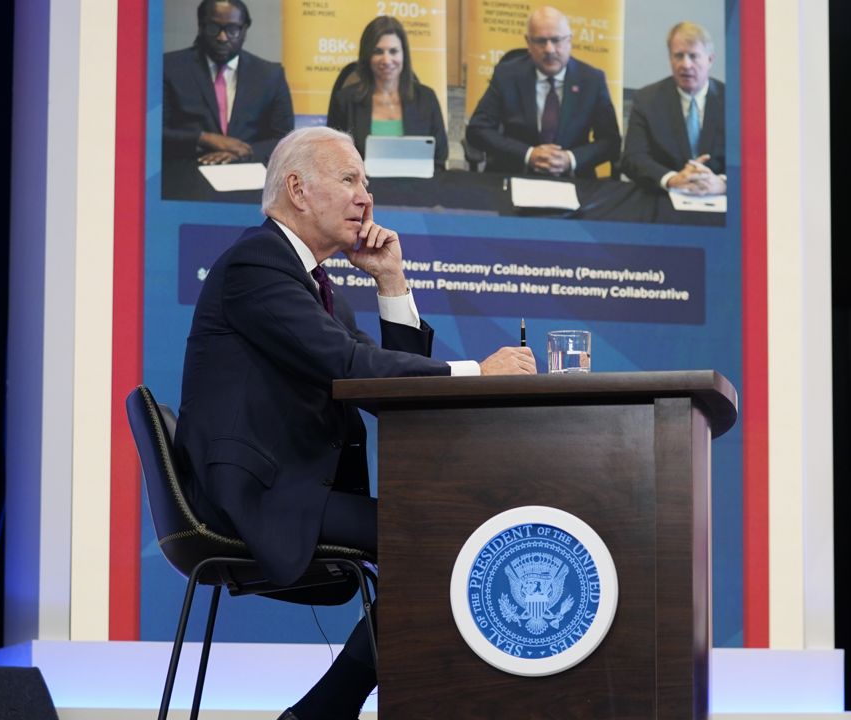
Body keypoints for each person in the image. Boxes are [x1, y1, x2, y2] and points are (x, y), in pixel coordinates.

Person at [173, 127, 536, 720]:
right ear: (298, 189)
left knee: (447, 541)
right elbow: (353, 365)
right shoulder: (255, 264)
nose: (366, 197)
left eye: (365, 182)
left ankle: (322, 712)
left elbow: (377, 386)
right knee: (443, 543)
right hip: (259, 494)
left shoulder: (316, 286)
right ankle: (324, 712)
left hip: (291, 490)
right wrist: (478, 371)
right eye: (350, 180)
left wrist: (390, 279)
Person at [465, 6, 621, 178]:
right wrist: (528, 154)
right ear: (528, 43)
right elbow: (478, 129)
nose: (549, 49)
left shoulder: (591, 80)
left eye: (556, 40)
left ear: (569, 41)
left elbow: (610, 141)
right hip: (515, 173)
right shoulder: (507, 75)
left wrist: (571, 159)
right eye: (540, 41)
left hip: (572, 180)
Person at [162, 0, 294, 166]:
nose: (222, 37)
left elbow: (286, 140)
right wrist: (204, 139)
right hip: (185, 173)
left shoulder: (270, 75)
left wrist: (244, 152)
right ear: (200, 27)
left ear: (244, 30)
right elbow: (153, 133)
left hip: (249, 176)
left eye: (232, 29)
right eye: (213, 28)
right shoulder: (170, 68)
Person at [327, 15, 449, 169]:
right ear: (367, 56)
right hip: (364, 189)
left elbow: (440, 157)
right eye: (378, 51)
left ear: (403, 54)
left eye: (393, 51)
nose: (386, 60)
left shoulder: (426, 98)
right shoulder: (345, 101)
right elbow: (334, 158)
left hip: (418, 188)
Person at [620, 22, 727, 195]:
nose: (685, 64)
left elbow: (751, 160)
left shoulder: (733, 102)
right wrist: (671, 179)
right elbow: (633, 158)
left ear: (710, 60)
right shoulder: (647, 100)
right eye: (678, 56)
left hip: (719, 199)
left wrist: (723, 183)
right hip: (663, 196)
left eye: (693, 56)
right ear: (670, 59)